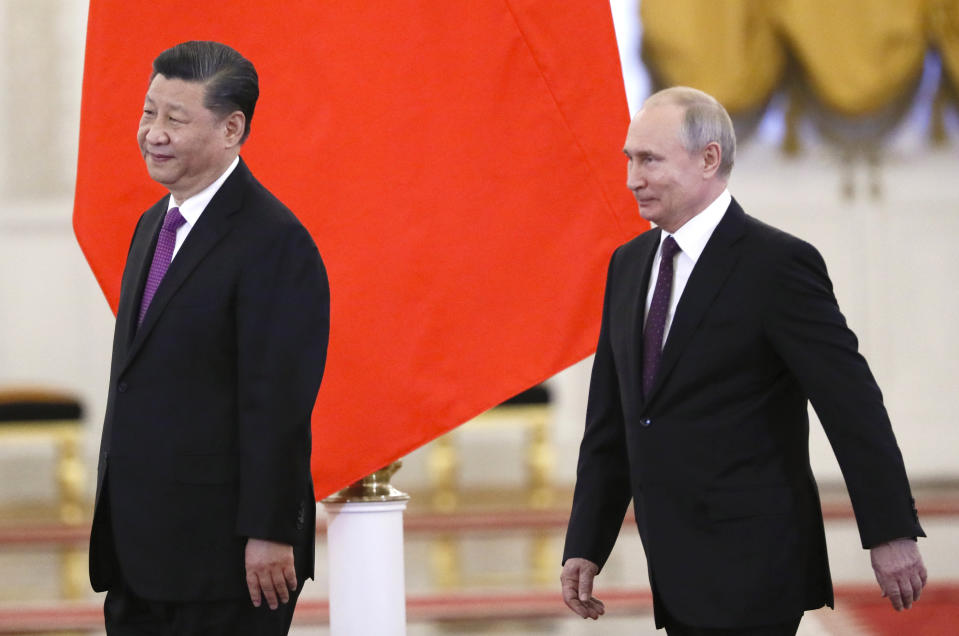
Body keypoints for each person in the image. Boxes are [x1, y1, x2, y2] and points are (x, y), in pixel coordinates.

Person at [560, 86, 926, 635]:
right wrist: (587, 541)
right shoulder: (628, 265)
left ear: (709, 159)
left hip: (756, 562)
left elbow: (851, 406)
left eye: (650, 160)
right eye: (629, 159)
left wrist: (889, 530)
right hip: (674, 564)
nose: (632, 178)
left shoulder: (778, 265)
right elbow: (613, 421)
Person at [88, 41, 329, 635]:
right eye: (149, 112)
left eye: (176, 118)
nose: (153, 134)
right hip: (138, 550)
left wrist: (271, 531)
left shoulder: (275, 241)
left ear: (231, 128)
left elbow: (277, 403)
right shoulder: (153, 224)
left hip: (226, 561)